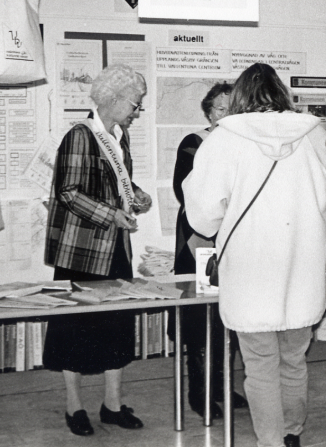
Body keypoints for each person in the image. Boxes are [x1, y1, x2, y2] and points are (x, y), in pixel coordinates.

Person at [183, 63, 326, 447]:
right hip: (300, 265)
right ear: (281, 93)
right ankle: (291, 435)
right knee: (294, 359)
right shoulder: (311, 134)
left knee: (259, 367)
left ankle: (270, 441)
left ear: (239, 97)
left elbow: (204, 216)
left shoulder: (223, 139)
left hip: (250, 269)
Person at [41, 63, 154, 437]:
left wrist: (135, 195)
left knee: (117, 326)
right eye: (135, 104)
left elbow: (114, 182)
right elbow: (69, 191)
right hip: (82, 251)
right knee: (74, 330)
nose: (137, 112)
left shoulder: (118, 136)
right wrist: (111, 214)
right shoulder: (80, 135)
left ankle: (112, 404)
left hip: (115, 248)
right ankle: (75, 407)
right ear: (114, 98)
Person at [171, 82, 248, 419]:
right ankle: (198, 392)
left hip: (234, 240)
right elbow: (184, 190)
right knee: (200, 318)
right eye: (220, 108)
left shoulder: (245, 146)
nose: (226, 114)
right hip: (199, 242)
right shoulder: (194, 143)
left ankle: (222, 386)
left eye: (233, 108)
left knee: (227, 317)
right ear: (209, 111)